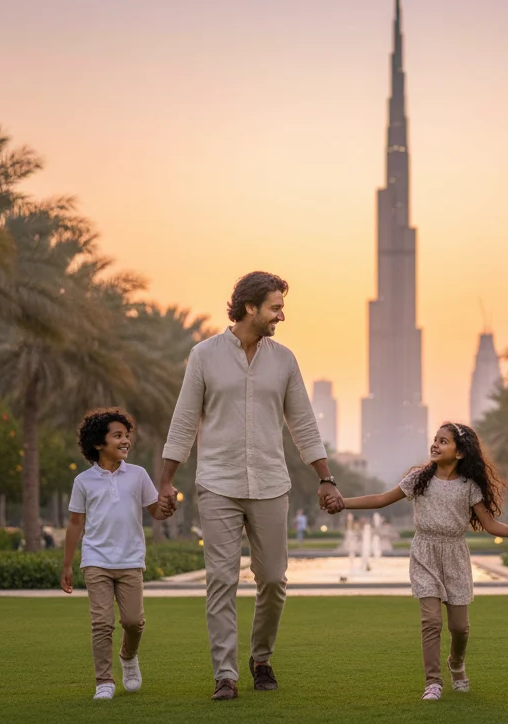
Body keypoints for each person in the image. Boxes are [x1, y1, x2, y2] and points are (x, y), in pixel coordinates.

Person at [157, 271, 343, 701]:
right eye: (276, 307)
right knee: (220, 579)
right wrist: (165, 481)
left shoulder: (285, 360)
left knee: (274, 580)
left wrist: (326, 478)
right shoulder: (203, 356)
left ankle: (260, 658)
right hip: (217, 483)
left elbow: (303, 425)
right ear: (250, 308)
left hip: (270, 484)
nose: (282, 315)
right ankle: (225, 674)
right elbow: (184, 420)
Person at [333, 422, 508, 701]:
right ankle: (433, 682)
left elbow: (490, 524)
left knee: (459, 627)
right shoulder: (419, 479)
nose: (435, 444)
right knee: (431, 621)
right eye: (435, 439)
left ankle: (456, 663)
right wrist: (342, 502)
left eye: (444, 441)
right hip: (425, 552)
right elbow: (382, 499)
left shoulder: (469, 487)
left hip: (454, 553)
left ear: (459, 453)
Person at [61, 408, 173, 700]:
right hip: (96, 560)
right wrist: (67, 565)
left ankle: (128, 656)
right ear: (99, 443)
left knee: (134, 622)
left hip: (130, 560)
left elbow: (155, 512)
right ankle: (104, 682)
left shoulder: (138, 475)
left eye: (127, 436)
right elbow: (75, 524)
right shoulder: (83, 482)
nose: (125, 441)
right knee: (101, 623)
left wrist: (169, 507)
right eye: (118, 436)